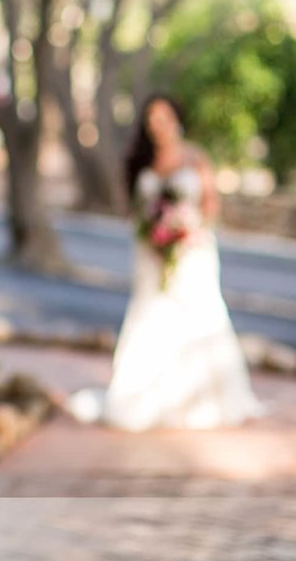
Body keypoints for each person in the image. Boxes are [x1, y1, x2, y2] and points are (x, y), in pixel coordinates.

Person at [66, 94, 265, 431]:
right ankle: (143, 399)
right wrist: (154, 230)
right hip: (148, 253)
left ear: (176, 118)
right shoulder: (141, 160)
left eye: (164, 117)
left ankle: (201, 399)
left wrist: (185, 229)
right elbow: (132, 207)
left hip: (192, 252)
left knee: (197, 315)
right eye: (151, 120)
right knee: (150, 316)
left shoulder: (195, 157)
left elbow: (210, 207)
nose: (158, 126)